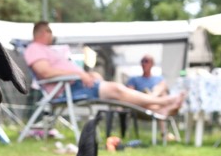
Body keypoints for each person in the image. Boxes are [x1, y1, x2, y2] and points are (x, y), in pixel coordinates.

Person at [24, 21, 184, 116]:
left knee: (120, 95)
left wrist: (86, 74)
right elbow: (45, 72)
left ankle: (158, 108)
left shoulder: (46, 49)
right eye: (50, 32)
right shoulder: (34, 48)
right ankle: (163, 102)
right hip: (67, 88)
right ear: (44, 32)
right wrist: (79, 74)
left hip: (74, 84)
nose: (52, 36)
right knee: (117, 90)